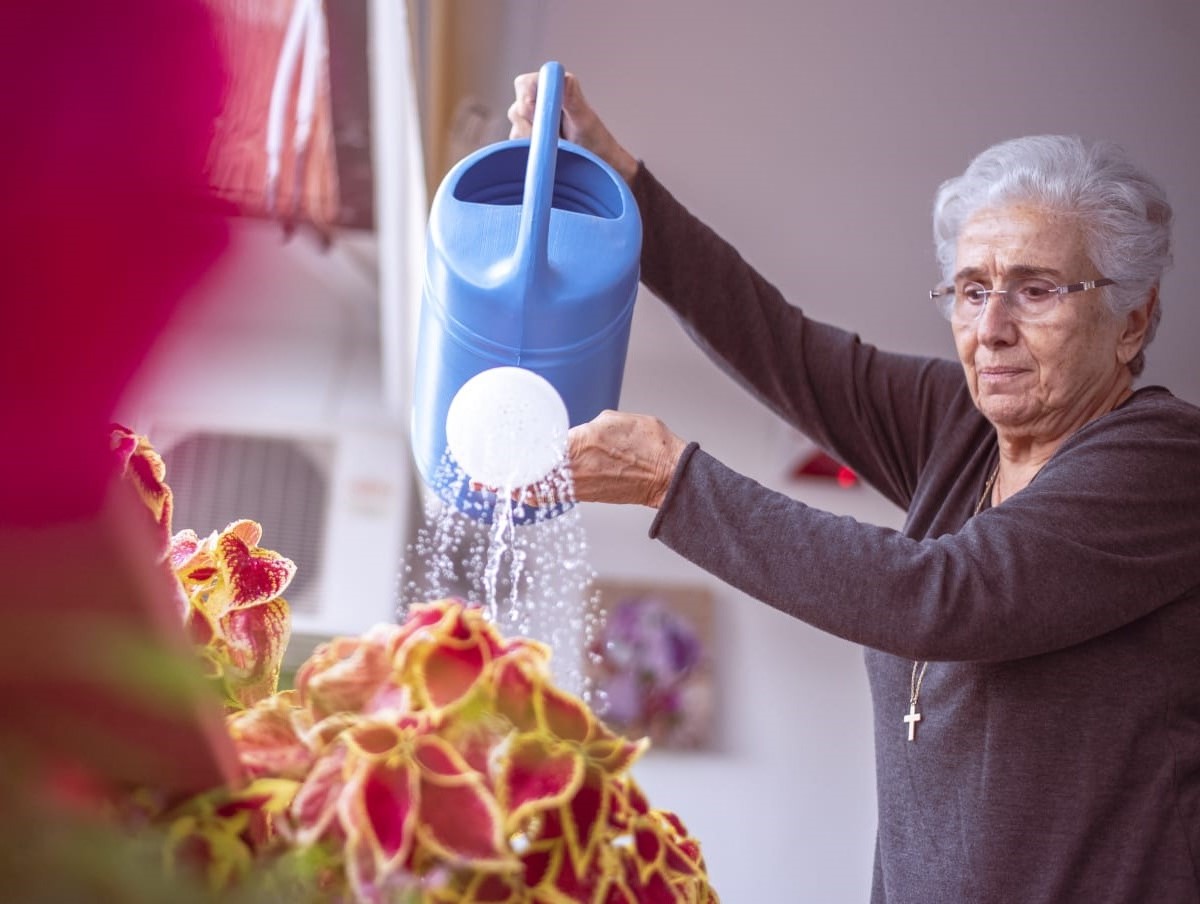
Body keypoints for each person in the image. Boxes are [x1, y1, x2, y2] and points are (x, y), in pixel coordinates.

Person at [508, 72, 1200, 903]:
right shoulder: (961, 426)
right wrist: (621, 185)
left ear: (1131, 321)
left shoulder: (1165, 460)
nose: (991, 329)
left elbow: (944, 598)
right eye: (973, 290)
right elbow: (783, 348)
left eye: (1038, 289)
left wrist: (672, 483)